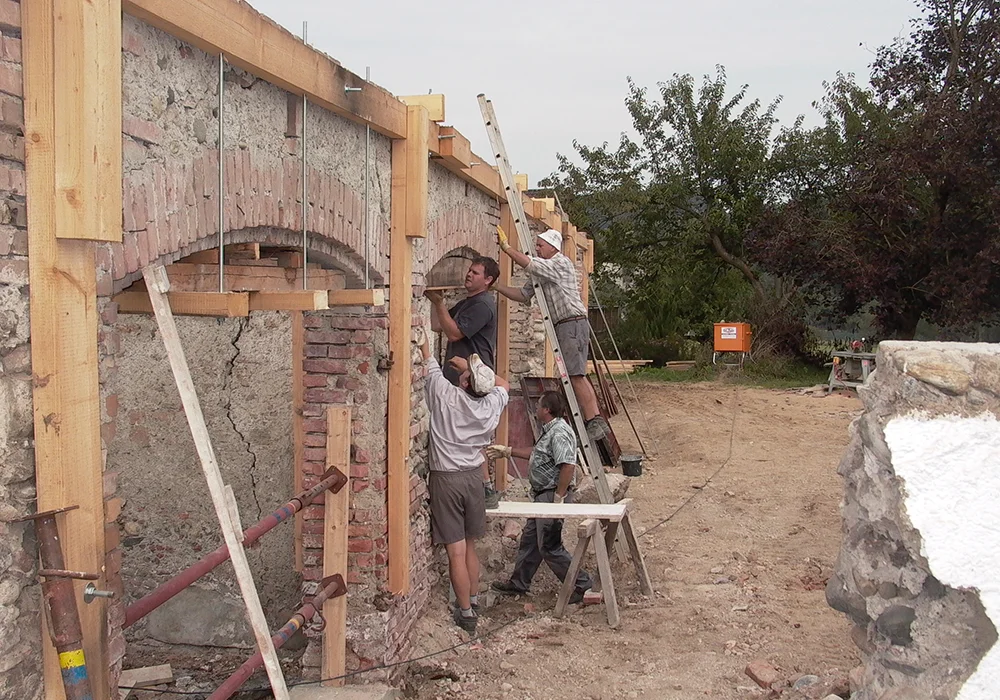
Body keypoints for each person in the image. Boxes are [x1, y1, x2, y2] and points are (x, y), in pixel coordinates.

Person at [419, 327, 510, 633]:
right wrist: (478, 371)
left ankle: (466, 613)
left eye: (468, 374)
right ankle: (473, 599)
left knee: (455, 551)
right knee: (470, 546)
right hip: (473, 478)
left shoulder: (446, 397)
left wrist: (423, 340)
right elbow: (503, 384)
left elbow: (428, 360)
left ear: (465, 382)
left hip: (446, 479)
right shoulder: (490, 406)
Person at [493, 227, 610, 441]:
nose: (537, 249)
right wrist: (497, 287)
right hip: (565, 325)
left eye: (540, 245)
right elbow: (523, 295)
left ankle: (594, 420)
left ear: (553, 247)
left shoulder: (560, 263)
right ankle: (593, 419)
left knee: (575, 375)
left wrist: (507, 248)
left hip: (572, 323)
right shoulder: (543, 272)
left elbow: (531, 264)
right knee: (575, 374)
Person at [486, 390, 594, 603]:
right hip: (543, 495)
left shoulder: (560, 432)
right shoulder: (550, 430)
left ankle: (581, 585)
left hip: (551, 495)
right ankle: (518, 583)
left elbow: (568, 465)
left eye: (539, 405)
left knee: (549, 546)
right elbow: (538, 453)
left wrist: (558, 497)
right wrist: (508, 451)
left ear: (547, 409)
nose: (536, 408)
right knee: (530, 541)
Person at [425, 256, 503, 508]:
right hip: (462, 376)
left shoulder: (483, 305)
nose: (469, 274)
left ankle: (486, 488)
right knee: (466, 432)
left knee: (473, 434)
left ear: (488, 280)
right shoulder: (467, 303)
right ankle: (482, 486)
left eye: (475, 273)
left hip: (475, 377)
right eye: (469, 270)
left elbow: (454, 333)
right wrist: (436, 303)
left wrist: (439, 302)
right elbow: (438, 325)